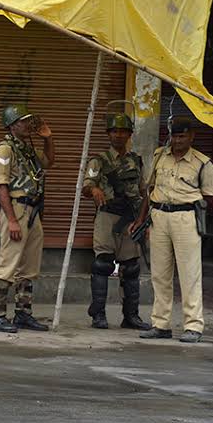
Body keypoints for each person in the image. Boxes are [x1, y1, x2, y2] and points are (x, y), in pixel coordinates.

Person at [132, 117, 213, 343]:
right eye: (174, 136)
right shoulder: (160, 155)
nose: (176, 141)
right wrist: (141, 219)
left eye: (181, 136)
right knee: (160, 274)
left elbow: (210, 198)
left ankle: (193, 326)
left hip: (186, 218)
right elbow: (149, 190)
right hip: (159, 217)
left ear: (191, 136)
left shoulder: (203, 163)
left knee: (190, 274)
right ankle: (161, 324)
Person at [0, 104, 55, 332]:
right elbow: (1, 186)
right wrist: (12, 220)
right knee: (8, 263)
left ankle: (23, 313)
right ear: (11, 125)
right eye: (22, 122)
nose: (27, 125)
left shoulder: (25, 149)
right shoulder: (5, 150)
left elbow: (47, 162)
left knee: (29, 266)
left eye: (28, 121)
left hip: (32, 210)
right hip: (15, 209)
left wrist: (47, 138)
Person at [82, 110, 150, 330]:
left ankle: (130, 316)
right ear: (108, 134)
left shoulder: (136, 161)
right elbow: (86, 185)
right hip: (107, 215)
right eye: (114, 131)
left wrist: (144, 220)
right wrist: (95, 190)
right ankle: (98, 315)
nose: (119, 135)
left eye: (123, 131)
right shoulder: (99, 160)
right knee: (102, 264)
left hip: (130, 219)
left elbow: (143, 191)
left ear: (129, 134)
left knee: (131, 268)